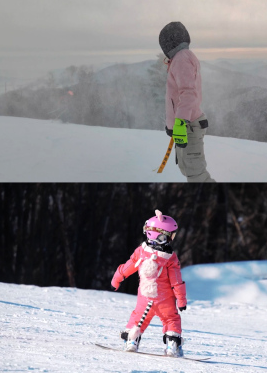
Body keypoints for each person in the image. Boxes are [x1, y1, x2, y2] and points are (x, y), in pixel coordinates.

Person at [111, 210, 187, 357]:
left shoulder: (141, 252)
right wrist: (181, 300)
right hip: (165, 299)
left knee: (138, 318)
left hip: (145, 298)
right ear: (160, 235)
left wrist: (116, 280)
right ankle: (172, 345)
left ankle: (131, 341)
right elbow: (176, 281)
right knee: (171, 319)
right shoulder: (170, 259)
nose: (171, 239)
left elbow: (127, 267)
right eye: (169, 236)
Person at [160, 22, 215, 182]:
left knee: (196, 174)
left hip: (188, 126)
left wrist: (180, 122)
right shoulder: (180, 58)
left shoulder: (182, 58)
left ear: (169, 42)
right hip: (186, 126)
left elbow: (188, 93)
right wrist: (173, 125)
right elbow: (176, 98)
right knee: (189, 170)